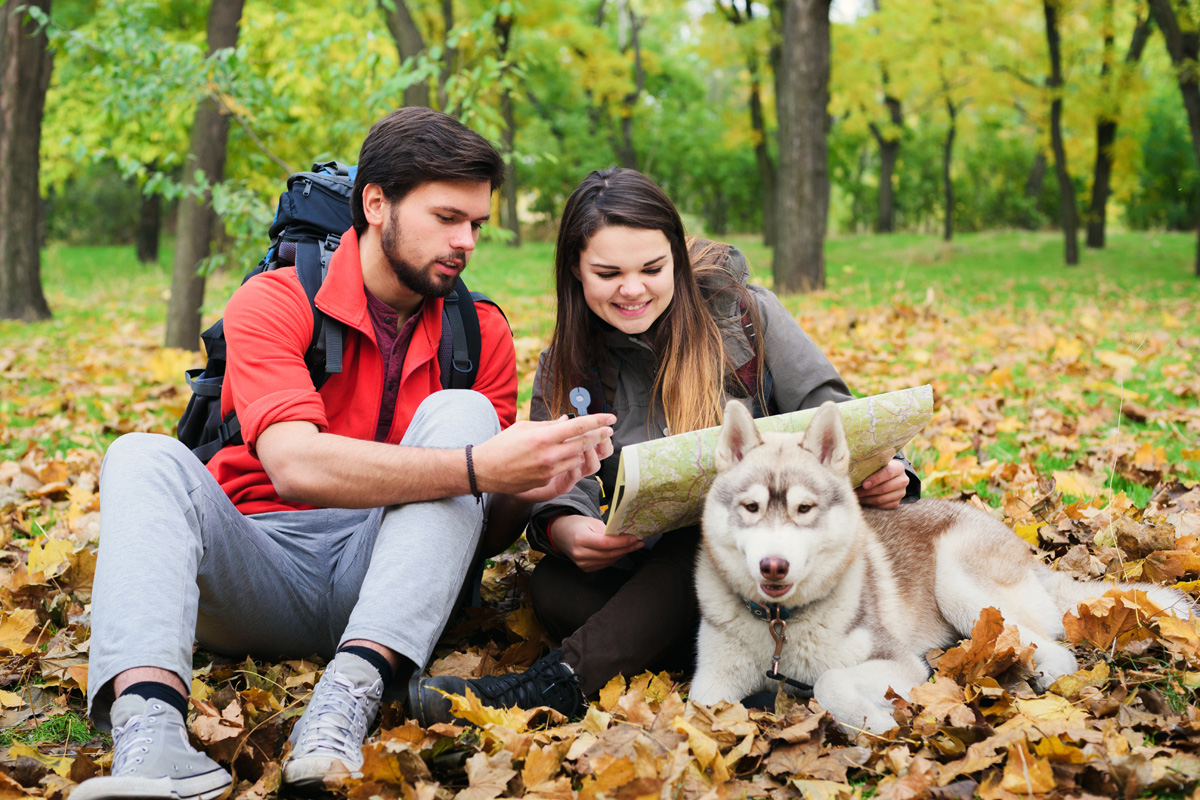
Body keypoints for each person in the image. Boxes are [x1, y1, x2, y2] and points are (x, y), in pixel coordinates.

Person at [72, 108, 615, 800]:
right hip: (255, 567)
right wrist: (481, 466)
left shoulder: (480, 333)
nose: (467, 242)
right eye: (448, 217)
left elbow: (478, 524)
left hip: (391, 576)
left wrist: (536, 479)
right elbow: (295, 466)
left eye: (476, 224)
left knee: (464, 413)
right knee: (139, 456)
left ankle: (342, 709)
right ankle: (151, 740)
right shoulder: (272, 301)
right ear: (376, 203)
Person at [408, 167, 920, 723]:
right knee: (555, 588)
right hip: (664, 576)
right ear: (576, 272)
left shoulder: (745, 317)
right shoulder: (569, 364)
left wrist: (894, 472)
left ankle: (550, 686)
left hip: (768, 552)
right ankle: (763, 667)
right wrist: (567, 528)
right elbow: (563, 486)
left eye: (653, 268)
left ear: (676, 257)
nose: (633, 289)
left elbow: (842, 418)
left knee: (699, 541)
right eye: (608, 272)